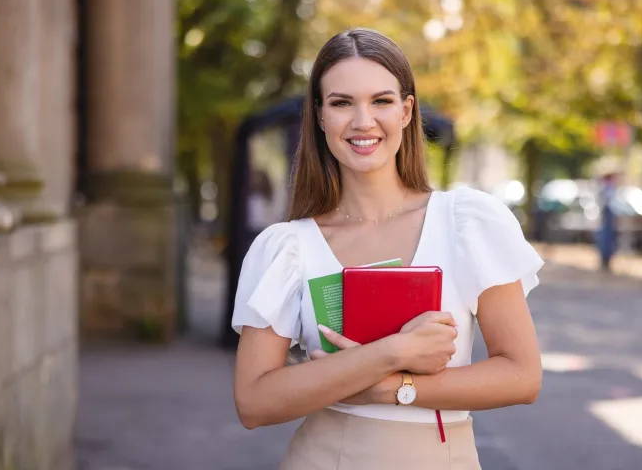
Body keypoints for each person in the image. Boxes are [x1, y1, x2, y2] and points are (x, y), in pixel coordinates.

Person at [231, 28, 545, 469]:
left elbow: (521, 376)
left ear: (405, 111)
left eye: (381, 101)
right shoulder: (288, 248)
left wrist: (394, 387)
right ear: (320, 116)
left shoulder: (466, 223)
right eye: (342, 103)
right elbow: (253, 402)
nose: (363, 121)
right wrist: (391, 353)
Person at [596, 172, 619, 271]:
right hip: (607, 214)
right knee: (606, 239)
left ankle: (606, 260)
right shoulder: (606, 190)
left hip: (608, 215)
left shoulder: (607, 189)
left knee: (608, 239)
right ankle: (605, 260)